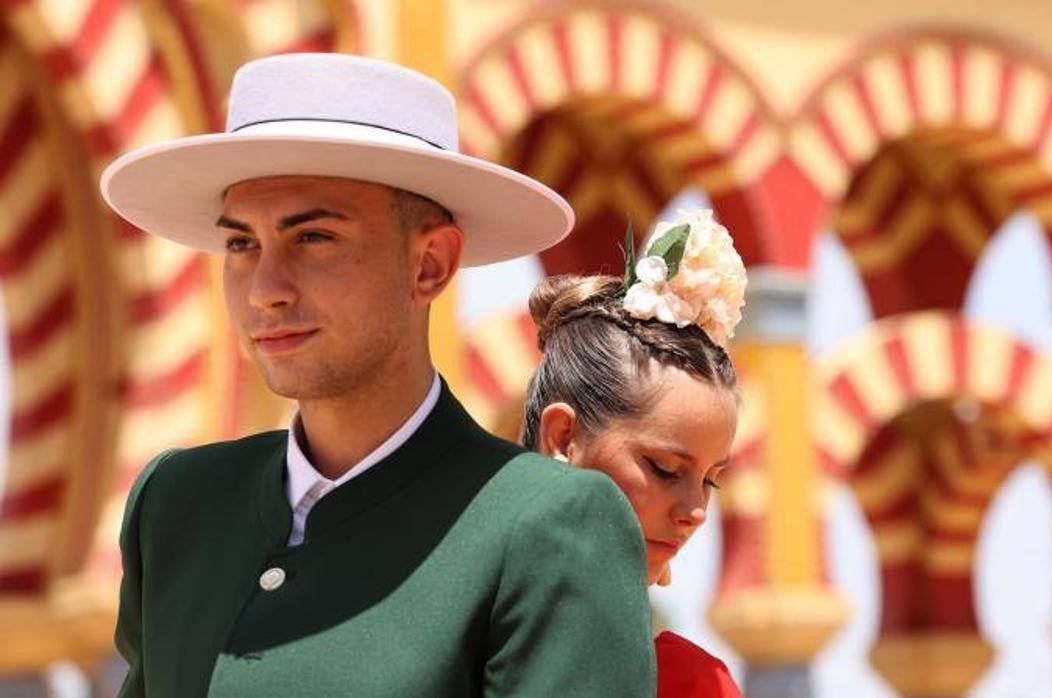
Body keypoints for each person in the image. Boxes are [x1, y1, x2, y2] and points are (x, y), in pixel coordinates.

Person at [99, 52, 655, 697]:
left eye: (313, 239)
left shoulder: (544, 525)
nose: (265, 291)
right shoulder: (178, 503)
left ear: (429, 266)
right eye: (241, 244)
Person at [520, 209, 747, 698]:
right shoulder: (432, 650)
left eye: (710, 480)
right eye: (665, 469)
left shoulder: (694, 684)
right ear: (562, 438)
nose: (696, 513)